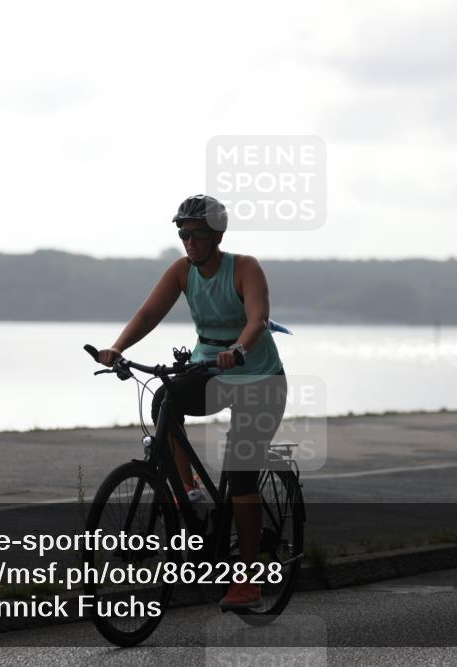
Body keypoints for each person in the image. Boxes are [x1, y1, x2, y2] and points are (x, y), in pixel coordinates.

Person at [98, 194, 286, 610]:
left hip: (259, 379)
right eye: (183, 233)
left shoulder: (245, 268)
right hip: (211, 372)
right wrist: (117, 348)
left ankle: (249, 581)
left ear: (217, 234)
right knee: (165, 400)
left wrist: (238, 349)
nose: (189, 241)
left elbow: (257, 318)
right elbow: (149, 314)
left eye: (197, 233)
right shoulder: (182, 272)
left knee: (240, 475)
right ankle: (191, 491)